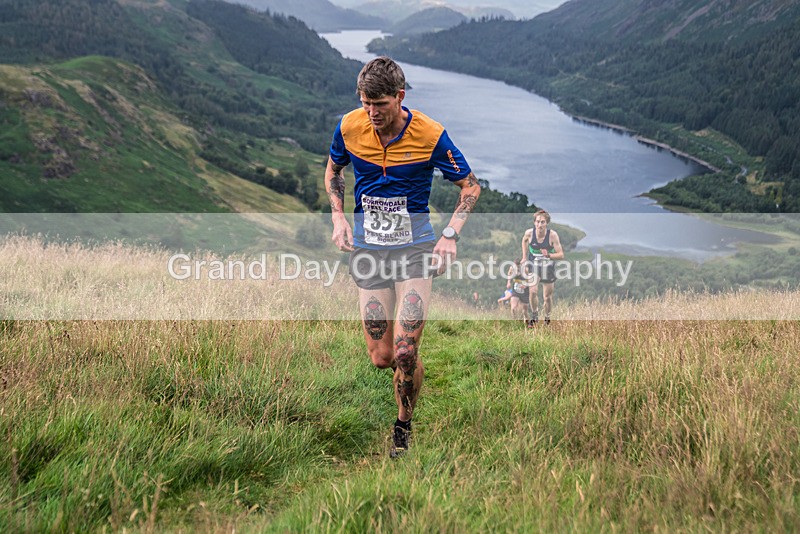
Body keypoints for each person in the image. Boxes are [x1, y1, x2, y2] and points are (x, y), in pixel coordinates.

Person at [324, 56, 481, 458]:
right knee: (383, 357)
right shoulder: (349, 126)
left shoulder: (430, 134)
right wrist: (338, 216)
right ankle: (403, 368)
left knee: (406, 352)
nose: (372, 113)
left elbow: (471, 187)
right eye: (365, 103)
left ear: (400, 96)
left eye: (380, 104)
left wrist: (450, 235)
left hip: (415, 250)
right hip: (369, 250)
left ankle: (403, 426)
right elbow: (334, 171)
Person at [521, 209, 563, 327]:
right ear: (534, 222)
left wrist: (548, 255)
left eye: (543, 222)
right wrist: (524, 257)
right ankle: (534, 317)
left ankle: (547, 319)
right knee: (532, 291)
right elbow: (524, 241)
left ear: (547, 223)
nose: (540, 225)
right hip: (534, 265)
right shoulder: (529, 233)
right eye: (538, 222)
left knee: (547, 297)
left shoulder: (552, 236)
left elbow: (561, 255)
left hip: (548, 268)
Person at [507, 259, 531, 323]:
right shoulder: (511, 268)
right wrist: (508, 282)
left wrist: (525, 285)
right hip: (515, 291)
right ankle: (515, 322)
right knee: (513, 309)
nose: (517, 269)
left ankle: (528, 324)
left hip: (525, 292)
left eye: (518, 267)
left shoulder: (525, 270)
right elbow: (509, 274)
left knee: (524, 311)